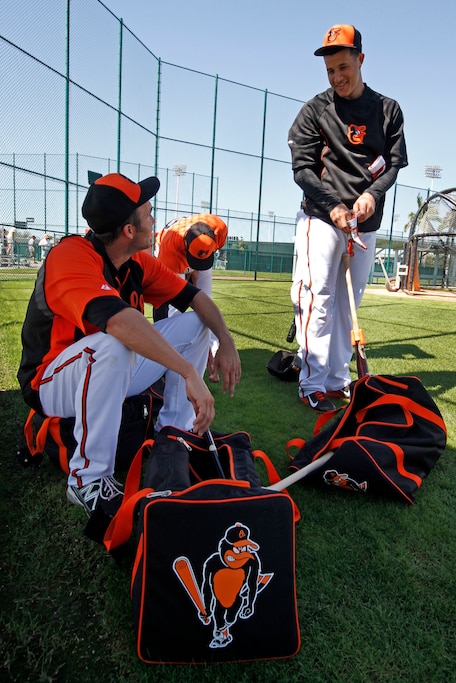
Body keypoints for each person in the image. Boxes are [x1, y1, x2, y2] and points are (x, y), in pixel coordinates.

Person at [17, 173, 241, 519]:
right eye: (148, 212)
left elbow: (196, 299)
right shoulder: (71, 255)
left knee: (198, 324)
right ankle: (88, 479)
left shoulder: (136, 261)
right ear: (128, 231)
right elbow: (120, 324)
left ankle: (174, 433)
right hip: (51, 382)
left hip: (107, 368)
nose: (154, 218)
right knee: (114, 343)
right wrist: (186, 372)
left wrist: (225, 341)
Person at [288, 24, 407, 412]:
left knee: (348, 301)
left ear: (360, 59)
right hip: (321, 219)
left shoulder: (387, 109)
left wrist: (373, 194)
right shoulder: (315, 111)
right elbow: (303, 169)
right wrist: (333, 205)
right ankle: (312, 380)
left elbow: (392, 165)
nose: (337, 77)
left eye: (343, 67)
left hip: (365, 225)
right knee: (318, 297)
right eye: (330, 71)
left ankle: (337, 380)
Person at [154, 213, 228, 378]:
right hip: (170, 247)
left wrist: (215, 346)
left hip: (192, 243)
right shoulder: (169, 250)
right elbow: (176, 301)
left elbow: (204, 301)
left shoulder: (219, 229)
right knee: (172, 310)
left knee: (205, 302)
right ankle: (169, 355)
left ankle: (214, 353)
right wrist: (188, 275)